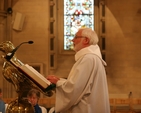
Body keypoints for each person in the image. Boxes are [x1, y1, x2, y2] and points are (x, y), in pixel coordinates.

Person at [47, 28, 110, 113]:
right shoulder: (93, 58)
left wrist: (57, 83)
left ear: (86, 40)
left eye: (76, 37)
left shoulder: (88, 58)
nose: (73, 40)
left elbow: (75, 88)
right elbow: (80, 84)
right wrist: (60, 81)